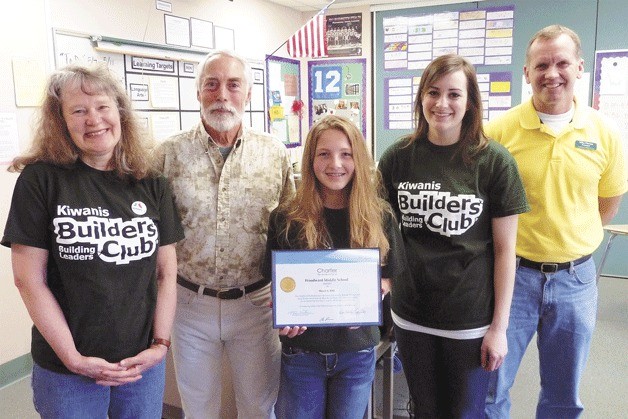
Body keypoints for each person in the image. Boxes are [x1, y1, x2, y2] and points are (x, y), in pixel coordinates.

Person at [1, 63, 184, 418]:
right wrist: (73, 358)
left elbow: (166, 274)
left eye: (102, 106)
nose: (94, 119)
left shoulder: (152, 183)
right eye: (79, 110)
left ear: (120, 111)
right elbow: (28, 280)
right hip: (67, 371)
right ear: (61, 120)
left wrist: (161, 343)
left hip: (140, 367)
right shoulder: (41, 181)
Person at [484, 25, 627, 418]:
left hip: (576, 282)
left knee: (564, 395)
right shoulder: (497, 133)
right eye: (541, 64)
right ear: (526, 72)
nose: (552, 73)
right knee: (491, 388)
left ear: (579, 68)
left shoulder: (605, 133)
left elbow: (607, 204)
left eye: (562, 63)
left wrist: (570, 238)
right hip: (512, 278)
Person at [377, 54, 529, 418]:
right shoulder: (398, 157)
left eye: (454, 94)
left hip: (469, 320)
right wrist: (381, 279)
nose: (442, 103)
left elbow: (507, 250)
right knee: (424, 411)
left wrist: (499, 328)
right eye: (433, 92)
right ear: (421, 98)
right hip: (412, 315)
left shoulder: (494, 161)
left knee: (464, 413)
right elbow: (377, 230)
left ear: (470, 102)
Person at [155, 50, 295, 418]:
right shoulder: (167, 155)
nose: (222, 95)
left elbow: (294, 230)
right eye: (211, 84)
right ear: (198, 92)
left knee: (259, 406)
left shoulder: (274, 154)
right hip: (189, 305)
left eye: (233, 85)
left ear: (248, 94)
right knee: (198, 408)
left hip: (256, 305)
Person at [262, 115, 408, 419]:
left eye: (346, 154)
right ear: (310, 160)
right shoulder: (286, 218)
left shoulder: (379, 216)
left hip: (356, 352)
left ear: (359, 158)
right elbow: (275, 280)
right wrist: (283, 309)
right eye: (324, 154)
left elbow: (392, 274)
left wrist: (372, 295)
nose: (335, 164)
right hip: (301, 350)